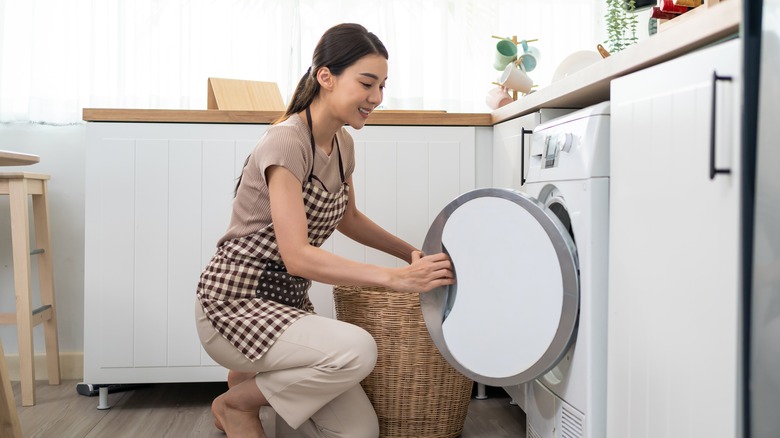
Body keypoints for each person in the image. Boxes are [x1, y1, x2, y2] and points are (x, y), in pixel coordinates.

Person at [195, 23, 454, 438]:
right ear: (326, 77)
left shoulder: (343, 145)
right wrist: (396, 279)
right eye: (367, 83)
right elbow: (297, 255)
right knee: (357, 348)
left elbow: (349, 218)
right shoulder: (286, 142)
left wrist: (410, 254)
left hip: (288, 308)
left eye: (383, 86)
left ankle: (250, 381)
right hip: (235, 304)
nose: (377, 98)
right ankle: (236, 405)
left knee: (358, 432)